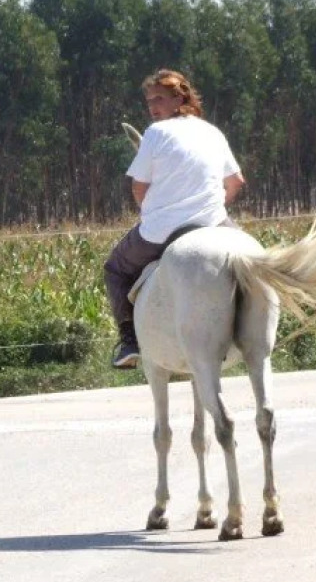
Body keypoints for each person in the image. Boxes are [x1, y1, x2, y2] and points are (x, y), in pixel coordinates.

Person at [105, 69, 245, 369]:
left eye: (159, 98)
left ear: (179, 97)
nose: (153, 106)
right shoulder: (212, 132)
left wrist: (151, 209)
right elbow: (235, 183)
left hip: (162, 230)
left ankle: (129, 341)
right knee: (255, 261)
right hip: (213, 222)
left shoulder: (155, 134)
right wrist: (213, 206)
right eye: (149, 101)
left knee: (115, 269)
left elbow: (138, 186)